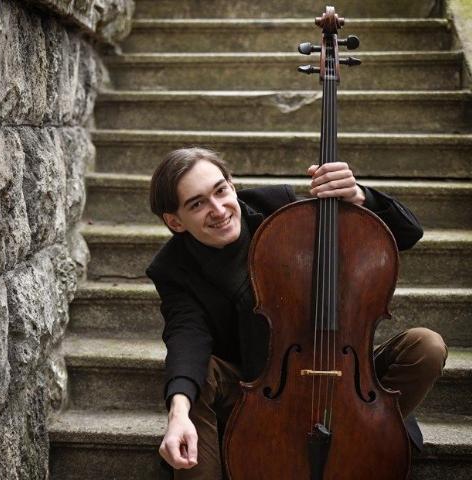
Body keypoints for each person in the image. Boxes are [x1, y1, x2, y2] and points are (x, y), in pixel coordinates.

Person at [145, 147, 448, 479]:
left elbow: (408, 234)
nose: (218, 209)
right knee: (200, 375)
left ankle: (361, 435)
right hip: (258, 391)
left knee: (426, 346)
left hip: (339, 373)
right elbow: (187, 337)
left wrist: (359, 196)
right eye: (197, 204)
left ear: (231, 184)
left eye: (220, 191)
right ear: (175, 221)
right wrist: (178, 412)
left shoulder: (282, 209)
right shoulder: (173, 268)